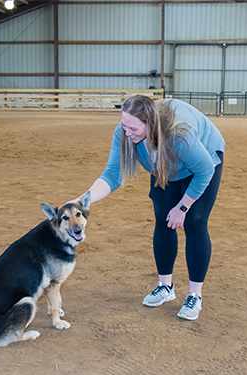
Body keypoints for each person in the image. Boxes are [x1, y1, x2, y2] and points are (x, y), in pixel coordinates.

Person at [71, 94, 225, 321]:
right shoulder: (125, 133)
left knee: (194, 222)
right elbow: (113, 175)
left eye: (133, 128)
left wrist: (182, 207)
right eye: (124, 126)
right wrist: (81, 201)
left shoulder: (179, 135)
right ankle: (165, 287)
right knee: (163, 219)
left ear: (150, 124)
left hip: (204, 161)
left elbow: (204, 171)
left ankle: (195, 294)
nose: (127, 132)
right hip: (166, 166)